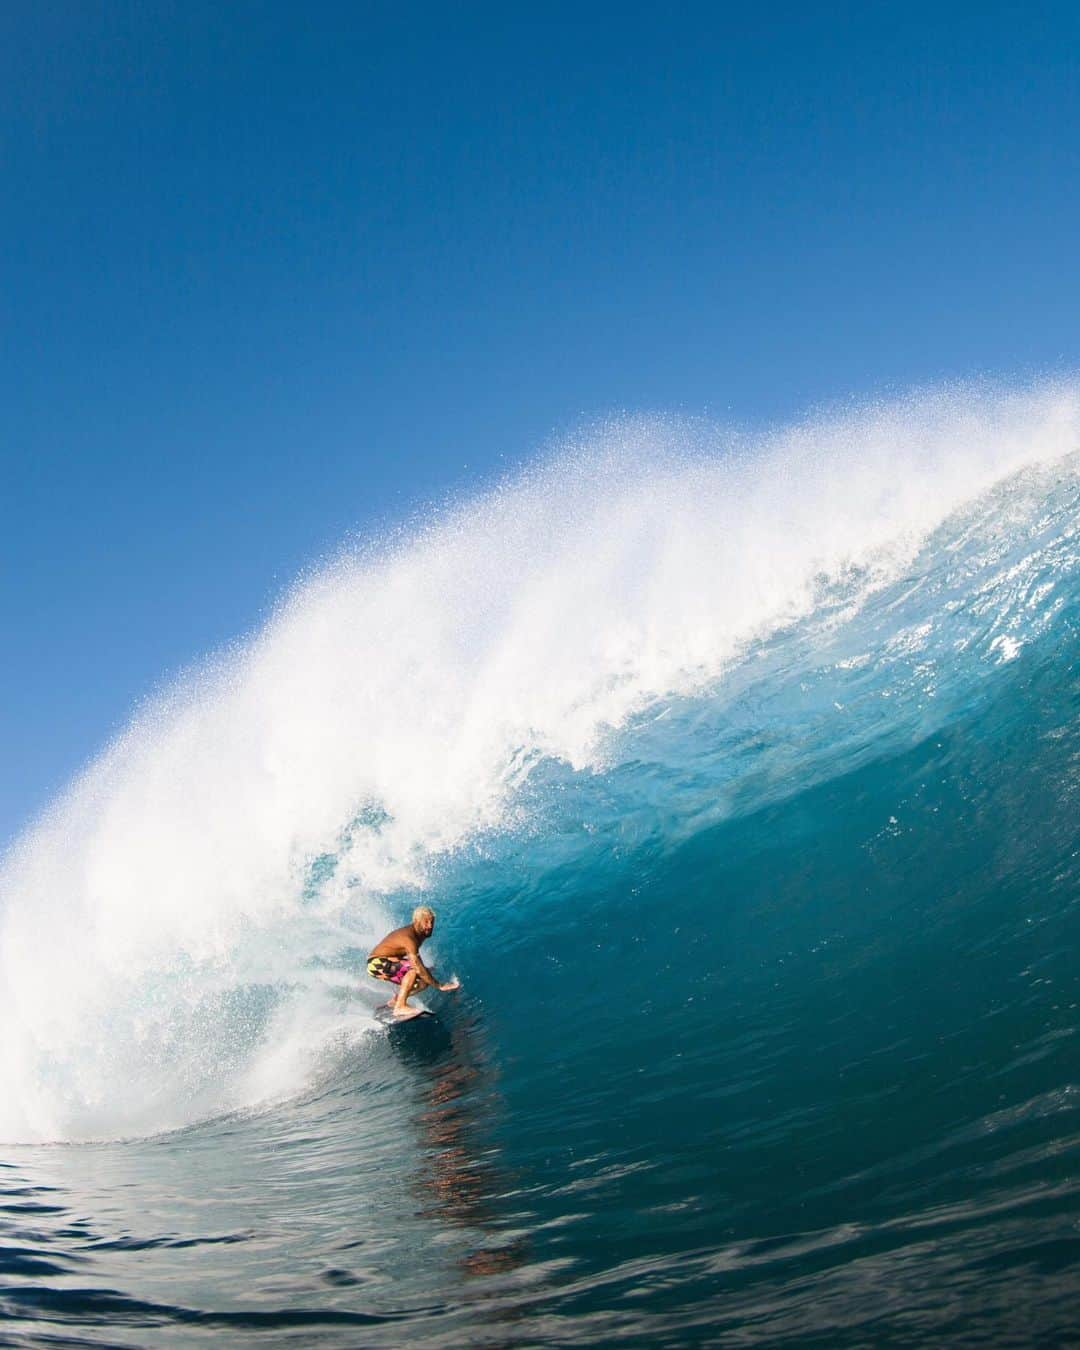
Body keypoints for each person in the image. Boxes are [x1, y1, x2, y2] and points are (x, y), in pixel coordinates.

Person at [367, 906, 460, 1019]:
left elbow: (416, 962)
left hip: (384, 962)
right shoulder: (409, 938)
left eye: (432, 922)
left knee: (424, 981)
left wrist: (425, 971)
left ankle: (397, 1000)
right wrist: (439, 985)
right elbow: (416, 965)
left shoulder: (418, 935)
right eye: (426, 922)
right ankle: (400, 1007)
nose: (430, 926)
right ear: (416, 921)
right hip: (376, 963)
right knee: (415, 970)